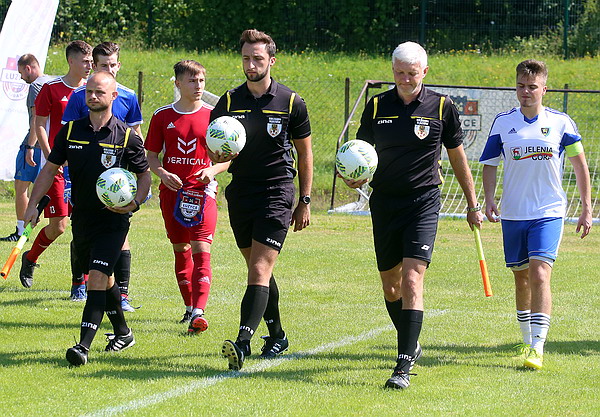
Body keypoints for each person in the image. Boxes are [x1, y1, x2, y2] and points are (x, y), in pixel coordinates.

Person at [342, 42, 484, 389]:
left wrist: (472, 203)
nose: (405, 79)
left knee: (411, 279)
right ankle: (411, 342)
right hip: (384, 202)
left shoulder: (442, 107)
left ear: (425, 72)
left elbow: (457, 157)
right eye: (399, 73)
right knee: (391, 285)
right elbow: (361, 152)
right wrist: (353, 175)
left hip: (423, 202)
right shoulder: (377, 105)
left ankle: (403, 365)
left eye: (412, 73)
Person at [22, 71, 151, 366]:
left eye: (99, 92)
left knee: (96, 277)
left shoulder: (126, 136)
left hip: (113, 220)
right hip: (81, 217)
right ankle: (123, 332)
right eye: (89, 91)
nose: (92, 96)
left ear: (113, 96)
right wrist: (33, 204)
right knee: (104, 278)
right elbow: (49, 169)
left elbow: (144, 174)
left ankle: (83, 346)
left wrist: (134, 203)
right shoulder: (70, 131)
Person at [209, 29, 313, 370]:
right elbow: (217, 150)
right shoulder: (228, 102)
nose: (251, 65)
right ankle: (278, 335)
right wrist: (215, 163)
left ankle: (242, 342)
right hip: (241, 192)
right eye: (246, 58)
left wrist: (305, 200)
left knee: (259, 268)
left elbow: (305, 154)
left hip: (277, 191)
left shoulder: (291, 102)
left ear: (272, 60)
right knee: (258, 268)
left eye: (257, 58)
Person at [480, 59, 592, 370]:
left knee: (540, 273)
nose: (526, 91)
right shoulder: (503, 122)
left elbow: (580, 166)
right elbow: (490, 164)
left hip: (549, 211)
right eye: (521, 86)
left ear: (544, 89)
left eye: (532, 86)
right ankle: (527, 339)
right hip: (513, 213)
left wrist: (586, 207)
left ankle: (538, 347)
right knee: (521, 278)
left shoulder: (561, 123)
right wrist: (489, 199)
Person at [145, 60, 229, 333]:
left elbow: (229, 157)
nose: (198, 86)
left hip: (203, 193)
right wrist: (162, 173)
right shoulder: (162, 116)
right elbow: (152, 156)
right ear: (178, 83)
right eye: (192, 81)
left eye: (201, 80)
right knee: (181, 250)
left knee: (202, 251)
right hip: (172, 194)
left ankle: (199, 313)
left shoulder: (215, 117)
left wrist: (212, 170)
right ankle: (189, 307)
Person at [62, 42, 144, 311]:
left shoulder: (128, 96)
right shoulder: (80, 97)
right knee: (83, 230)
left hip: (117, 181)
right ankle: (79, 283)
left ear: (119, 65)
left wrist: (139, 175)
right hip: (83, 177)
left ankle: (124, 294)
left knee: (120, 235)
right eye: (103, 65)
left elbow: (136, 134)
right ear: (94, 66)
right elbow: (68, 138)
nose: (109, 69)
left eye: (113, 65)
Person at [19, 40, 92, 300]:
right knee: (59, 226)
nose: (89, 66)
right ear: (71, 61)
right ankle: (30, 257)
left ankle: (80, 284)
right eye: (85, 61)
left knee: (83, 226)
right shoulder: (51, 88)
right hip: (57, 167)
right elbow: (39, 125)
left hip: (84, 168)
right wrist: (52, 157)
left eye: (91, 61)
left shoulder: (93, 90)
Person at [0, 55, 52, 242]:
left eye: (21, 72)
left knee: (21, 186)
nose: (22, 77)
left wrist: (30, 145)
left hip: (35, 144)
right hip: (50, 143)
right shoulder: (51, 82)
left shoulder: (36, 86)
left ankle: (21, 231)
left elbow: (36, 119)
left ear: (28, 68)